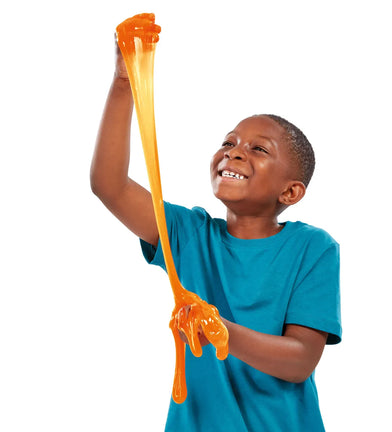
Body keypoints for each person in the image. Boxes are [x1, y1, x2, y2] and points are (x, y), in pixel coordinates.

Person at [91, 35, 342, 432]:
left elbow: (299, 361)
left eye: (259, 149)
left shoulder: (312, 248)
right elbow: (110, 185)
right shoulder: (189, 234)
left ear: (291, 192)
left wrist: (220, 329)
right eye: (229, 142)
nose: (233, 152)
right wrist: (125, 84)